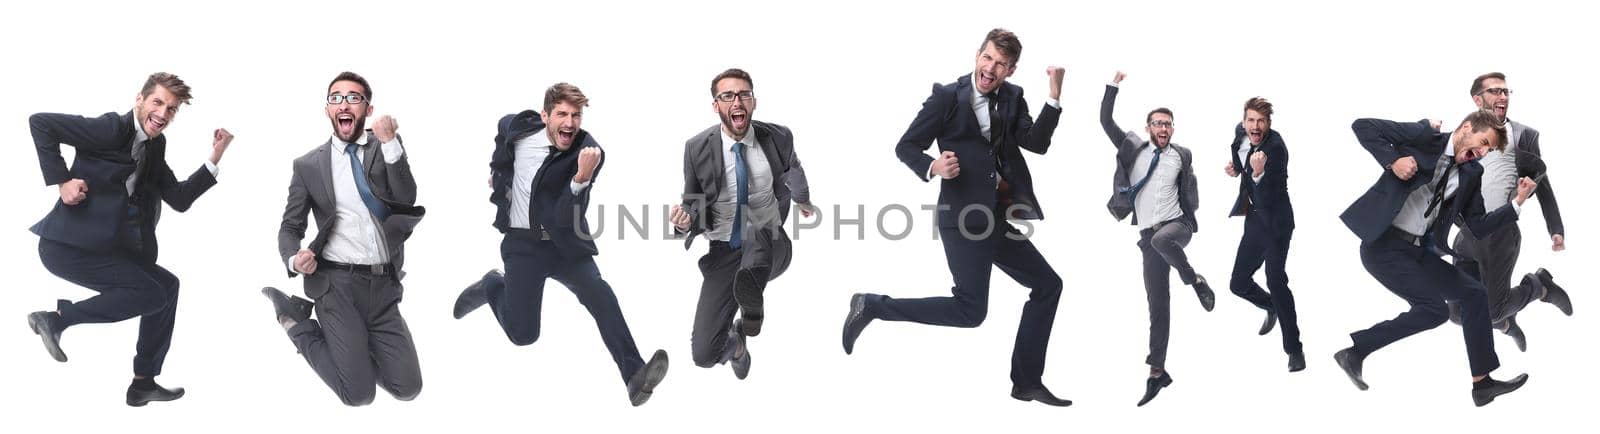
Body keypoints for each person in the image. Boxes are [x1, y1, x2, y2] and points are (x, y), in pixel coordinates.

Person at [840, 28, 1072, 407]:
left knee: (1048, 285)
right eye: (988, 58)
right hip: (962, 218)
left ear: (1011, 71)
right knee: (970, 311)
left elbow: (1037, 143)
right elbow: (906, 145)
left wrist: (1054, 96)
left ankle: (1027, 381)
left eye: (1001, 64)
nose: (991, 68)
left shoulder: (1013, 97)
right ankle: (872, 305)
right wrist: (933, 165)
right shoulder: (947, 97)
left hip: (995, 217)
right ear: (977, 55)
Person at [453, 82, 670, 406]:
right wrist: (500, 177)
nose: (570, 123)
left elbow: (561, 217)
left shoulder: (589, 153)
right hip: (523, 246)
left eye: (576, 115)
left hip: (565, 244)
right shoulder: (517, 126)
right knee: (523, 335)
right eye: (562, 114)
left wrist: (580, 179)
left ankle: (634, 375)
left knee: (600, 294)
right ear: (545, 116)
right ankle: (491, 284)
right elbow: (502, 137)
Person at [26, 72, 232, 406]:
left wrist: (216, 156)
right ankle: (56, 319)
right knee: (150, 293)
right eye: (158, 102)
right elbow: (41, 123)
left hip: (106, 248)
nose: (164, 113)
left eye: (172, 109)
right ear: (140, 100)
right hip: (66, 247)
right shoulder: (109, 129)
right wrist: (62, 181)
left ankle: (143, 382)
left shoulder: (154, 146)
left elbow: (178, 199)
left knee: (167, 286)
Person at [1333, 111, 1535, 407]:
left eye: (1487, 151)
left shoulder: (1471, 173)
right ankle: (1356, 350)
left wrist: (1516, 204)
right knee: (1435, 311)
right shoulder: (1425, 138)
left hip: (1416, 251)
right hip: (1383, 246)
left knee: (1474, 293)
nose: (1480, 153)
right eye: (1482, 143)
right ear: (1466, 128)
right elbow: (1362, 126)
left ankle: (1482, 384)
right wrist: (1393, 160)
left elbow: (1477, 225)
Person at [263, 71, 424, 406]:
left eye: (353, 98)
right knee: (358, 395)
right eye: (336, 98)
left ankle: (354, 348)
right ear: (327, 110)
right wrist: (294, 258)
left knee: (408, 388)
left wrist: (391, 142)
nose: (344, 103)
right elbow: (289, 227)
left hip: (383, 287)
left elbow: (406, 199)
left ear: (367, 108)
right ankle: (294, 321)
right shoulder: (308, 165)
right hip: (336, 286)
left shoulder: (386, 146)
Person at [670, 68, 813, 379]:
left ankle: (751, 309)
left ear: (753, 101)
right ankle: (737, 345)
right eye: (727, 96)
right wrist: (683, 223)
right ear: (716, 106)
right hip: (723, 253)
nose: (737, 101)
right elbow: (691, 202)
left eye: (743, 95)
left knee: (757, 220)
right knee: (704, 355)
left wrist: (803, 201)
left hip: (770, 243)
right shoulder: (696, 148)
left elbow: (795, 171)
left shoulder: (777, 137)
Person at [1099, 71, 1214, 406]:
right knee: (1157, 305)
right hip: (1148, 235)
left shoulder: (1182, 154)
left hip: (1177, 227)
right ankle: (1157, 373)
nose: (1163, 128)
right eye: (1158, 123)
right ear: (1148, 127)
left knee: (1162, 241)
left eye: (1168, 124)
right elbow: (1105, 120)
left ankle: (1195, 281)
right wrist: (1113, 85)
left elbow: (1188, 189)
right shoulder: (1132, 148)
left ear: (1173, 129)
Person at [1221, 97, 1305, 372]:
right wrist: (1238, 170)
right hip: (1255, 220)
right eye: (1250, 120)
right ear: (1244, 120)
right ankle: (1270, 307)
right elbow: (1239, 151)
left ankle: (1295, 350)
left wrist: (1257, 174)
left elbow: (1269, 197)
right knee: (1237, 283)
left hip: (1277, 221)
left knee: (1276, 280)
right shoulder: (1240, 132)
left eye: (1261, 122)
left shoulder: (1277, 150)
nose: (1254, 127)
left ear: (1269, 124)